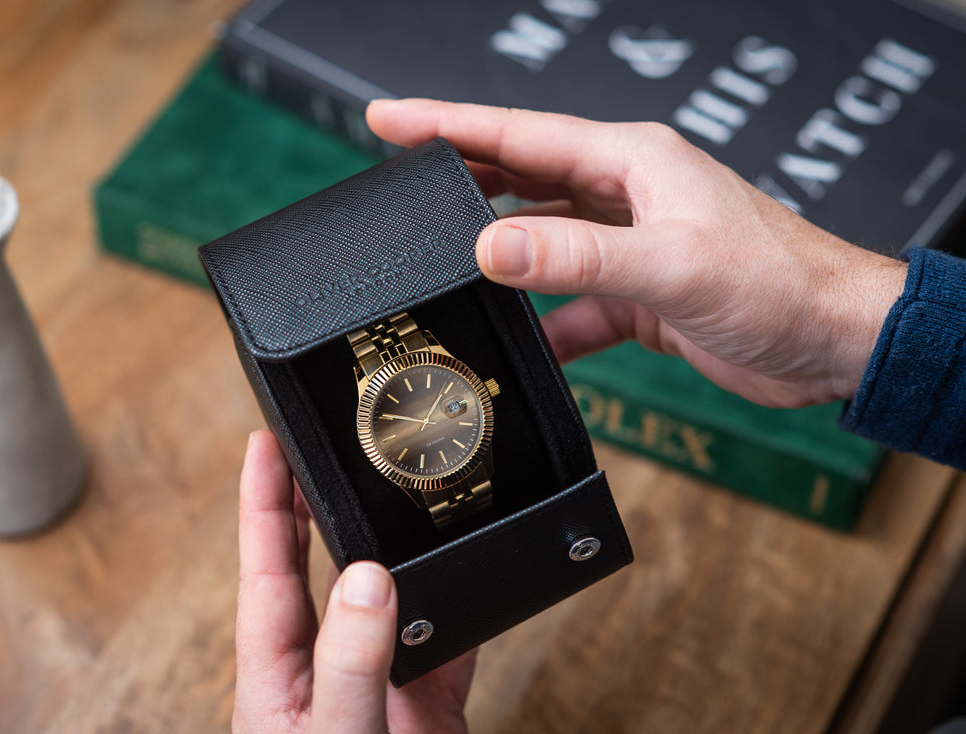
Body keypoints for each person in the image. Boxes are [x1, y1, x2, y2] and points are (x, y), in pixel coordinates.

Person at [231, 100, 966, 733]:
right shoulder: (388, 420)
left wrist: (838, 319)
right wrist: (858, 331)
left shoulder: (449, 394)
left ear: (478, 389)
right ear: (372, 438)